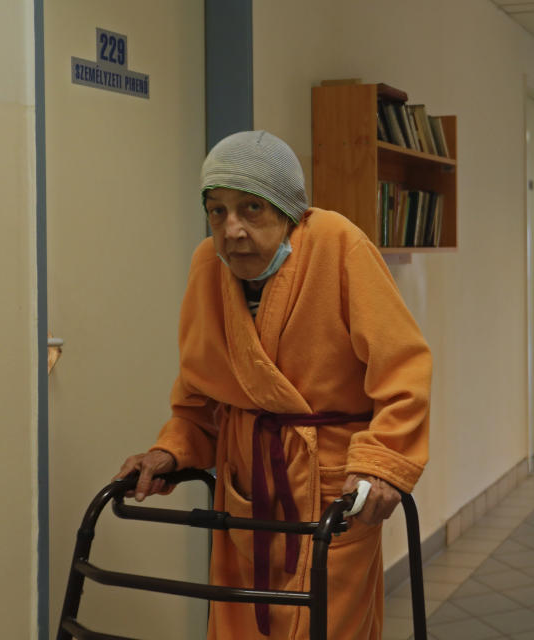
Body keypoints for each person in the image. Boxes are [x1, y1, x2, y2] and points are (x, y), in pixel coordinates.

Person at [115, 130, 431, 639]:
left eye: (251, 208)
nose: (231, 230)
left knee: (328, 627)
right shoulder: (207, 267)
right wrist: (170, 450)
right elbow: (198, 400)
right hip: (246, 483)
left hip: (331, 486)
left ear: (289, 212)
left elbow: (404, 367)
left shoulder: (338, 244)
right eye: (216, 211)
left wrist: (384, 464)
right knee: (241, 622)